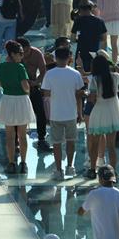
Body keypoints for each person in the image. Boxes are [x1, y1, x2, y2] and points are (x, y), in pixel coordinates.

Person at [41, 47, 84, 180]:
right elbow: (79, 96)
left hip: (56, 114)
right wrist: (80, 114)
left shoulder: (49, 74)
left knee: (57, 143)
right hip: (71, 113)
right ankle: (70, 167)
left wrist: (47, 115)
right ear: (69, 58)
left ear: (55, 58)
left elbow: (46, 95)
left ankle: (58, 170)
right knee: (71, 142)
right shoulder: (75, 74)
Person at [0, 40, 34, 174]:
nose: (22, 56)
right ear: (13, 54)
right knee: (22, 135)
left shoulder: (2, 66)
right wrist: (28, 90)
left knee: (10, 136)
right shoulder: (20, 67)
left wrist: (8, 84)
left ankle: (11, 163)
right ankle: (23, 163)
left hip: (7, 100)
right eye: (20, 54)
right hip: (21, 101)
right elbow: (25, 86)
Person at [87, 55, 119, 178]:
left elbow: (92, 99)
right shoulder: (115, 77)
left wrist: (87, 96)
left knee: (95, 144)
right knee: (111, 145)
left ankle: (92, 169)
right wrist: (115, 66)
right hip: (113, 113)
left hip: (99, 112)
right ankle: (113, 171)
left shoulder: (94, 80)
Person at [16, 37, 49, 153]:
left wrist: (36, 82)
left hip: (34, 86)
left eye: (27, 51)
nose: (25, 54)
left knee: (40, 113)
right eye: (22, 52)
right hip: (19, 88)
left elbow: (44, 71)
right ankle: (16, 141)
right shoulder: (14, 56)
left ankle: (41, 138)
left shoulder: (37, 54)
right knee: (18, 115)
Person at [73, 0, 108, 74]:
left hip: (81, 53)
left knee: (80, 75)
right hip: (95, 52)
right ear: (91, 9)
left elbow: (72, 38)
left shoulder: (78, 20)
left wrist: (78, 39)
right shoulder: (100, 21)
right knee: (94, 75)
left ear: (81, 9)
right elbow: (104, 39)